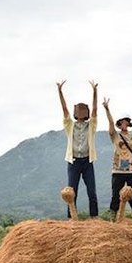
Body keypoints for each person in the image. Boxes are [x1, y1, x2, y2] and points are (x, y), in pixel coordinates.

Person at [57, 80, 99, 218]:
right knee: (71, 191)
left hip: (87, 161)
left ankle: (94, 217)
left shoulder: (91, 125)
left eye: (83, 110)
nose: (80, 112)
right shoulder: (70, 125)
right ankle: (72, 217)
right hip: (73, 161)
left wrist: (94, 92)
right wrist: (60, 91)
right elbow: (64, 110)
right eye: (78, 110)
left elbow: (95, 111)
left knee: (91, 191)